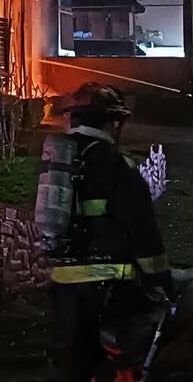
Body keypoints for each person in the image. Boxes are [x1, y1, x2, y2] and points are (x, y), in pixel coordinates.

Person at [44, 83, 172, 382]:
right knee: (116, 365)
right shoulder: (116, 165)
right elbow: (143, 231)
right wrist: (161, 281)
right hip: (110, 289)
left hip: (63, 286)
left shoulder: (58, 162)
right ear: (112, 122)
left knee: (74, 365)